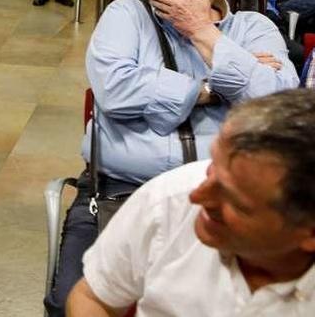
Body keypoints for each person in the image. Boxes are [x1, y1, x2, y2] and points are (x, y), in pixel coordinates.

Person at [44, 0, 300, 317]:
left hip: (228, 199)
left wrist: (200, 29)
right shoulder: (127, 16)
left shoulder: (252, 27)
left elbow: (279, 105)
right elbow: (114, 91)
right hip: (121, 192)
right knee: (68, 304)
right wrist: (213, 88)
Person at [67, 89, 315, 316]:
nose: (197, 196)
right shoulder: (168, 201)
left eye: (234, 200)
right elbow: (94, 297)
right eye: (212, 168)